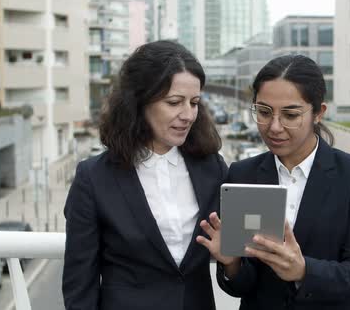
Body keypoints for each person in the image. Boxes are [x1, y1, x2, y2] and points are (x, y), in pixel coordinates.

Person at [197, 54, 350, 310]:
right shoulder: (242, 174)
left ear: (319, 113)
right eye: (263, 112)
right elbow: (241, 286)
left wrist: (304, 271)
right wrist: (231, 263)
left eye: (290, 115)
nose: (274, 127)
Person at [63, 40, 227, 310]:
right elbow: (80, 285)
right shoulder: (92, 178)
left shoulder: (214, 169)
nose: (188, 115)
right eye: (174, 102)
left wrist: (231, 261)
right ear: (139, 102)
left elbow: (237, 272)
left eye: (195, 102)